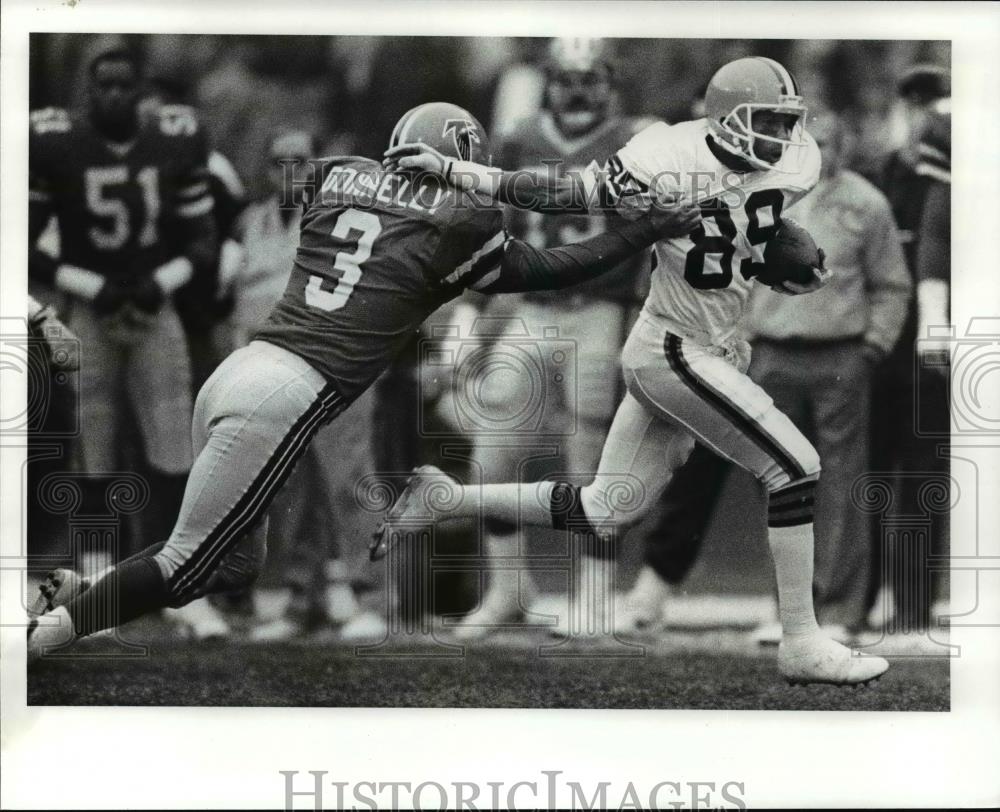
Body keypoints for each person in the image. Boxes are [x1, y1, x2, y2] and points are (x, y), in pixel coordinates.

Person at [26, 101, 699, 659]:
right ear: (453, 159)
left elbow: (340, 196)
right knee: (187, 562)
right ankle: (43, 638)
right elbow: (558, 267)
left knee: (235, 565)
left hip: (238, 374)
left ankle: (64, 589)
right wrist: (644, 230)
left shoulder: (336, 178)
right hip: (285, 395)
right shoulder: (458, 225)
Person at [378, 57, 891, 685]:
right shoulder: (664, 155)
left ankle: (446, 497)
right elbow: (559, 191)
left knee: (606, 506)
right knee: (795, 465)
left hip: (713, 344)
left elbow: (747, 218)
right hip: (675, 347)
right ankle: (803, 640)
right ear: (726, 119)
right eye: (767, 122)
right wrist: (460, 172)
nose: (782, 137)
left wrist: (772, 255)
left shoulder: (797, 160)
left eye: (788, 123)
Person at [624, 112, 912, 642]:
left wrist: (874, 345)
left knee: (843, 483)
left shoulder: (866, 203)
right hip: (770, 350)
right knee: (778, 479)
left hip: (841, 355)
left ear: (845, 146)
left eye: (830, 141)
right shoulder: (758, 192)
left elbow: (892, 284)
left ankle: (842, 612)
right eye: (811, 141)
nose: (820, 150)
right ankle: (789, 611)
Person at [454, 37, 657, 641]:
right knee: (491, 455)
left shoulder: (637, 138)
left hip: (599, 308)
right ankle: (508, 588)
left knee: (593, 461)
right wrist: (470, 322)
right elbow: (487, 237)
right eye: (566, 78)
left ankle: (592, 595)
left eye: (590, 77)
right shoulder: (518, 138)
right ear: (548, 81)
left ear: (610, 82)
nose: (577, 89)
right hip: (530, 309)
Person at [28, 42, 217, 569]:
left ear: (140, 93)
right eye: (103, 85)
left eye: (123, 85)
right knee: (93, 454)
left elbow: (203, 241)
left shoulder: (175, 138)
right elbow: (21, 244)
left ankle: (179, 575)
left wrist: (161, 281)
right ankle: (96, 581)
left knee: (176, 449)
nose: (113, 95)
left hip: (157, 309)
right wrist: (93, 286)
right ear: (87, 92)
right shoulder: (56, 142)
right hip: (91, 311)